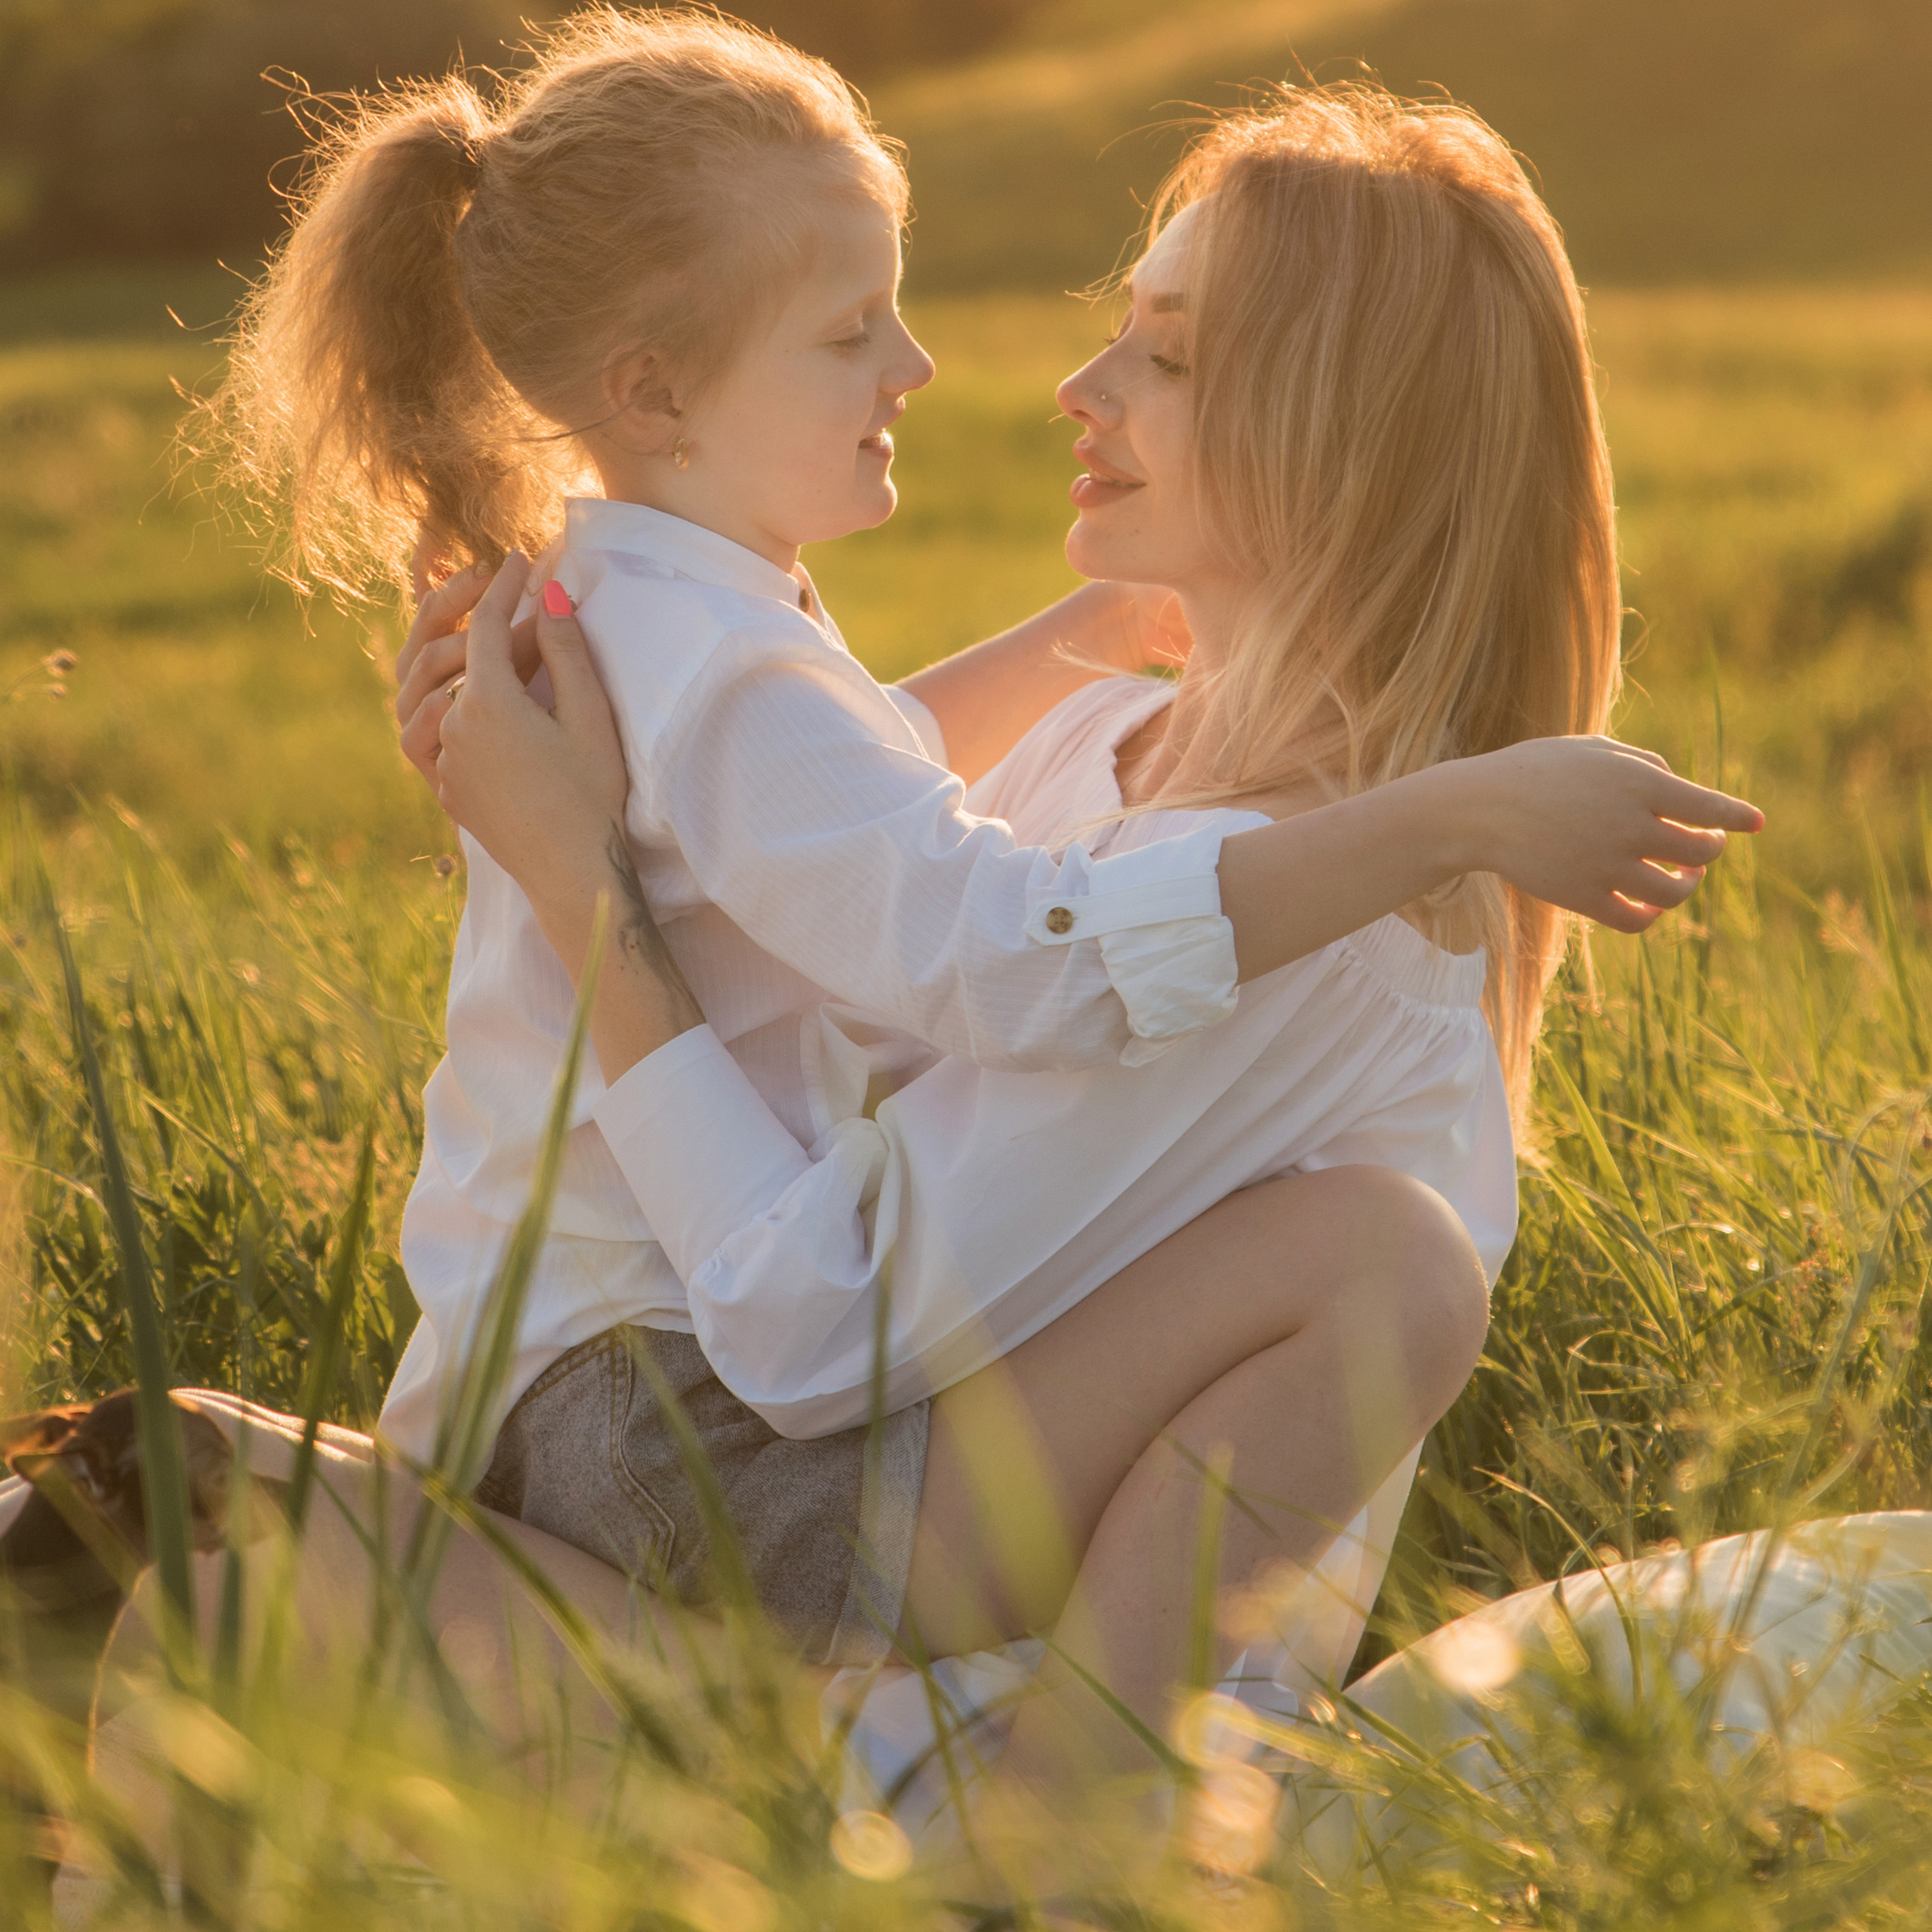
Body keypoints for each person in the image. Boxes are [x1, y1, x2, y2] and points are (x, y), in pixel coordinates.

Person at [380, 63, 1759, 1802]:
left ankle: (1053, 1825)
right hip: (691, 1443)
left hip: (914, 1698)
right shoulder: (1082, 753)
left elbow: (815, 1303)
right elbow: (885, 859)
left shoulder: (1302, 918)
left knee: (1378, 1255)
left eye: (1164, 355)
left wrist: (584, 887)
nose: (1068, 387)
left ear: (1344, 435)